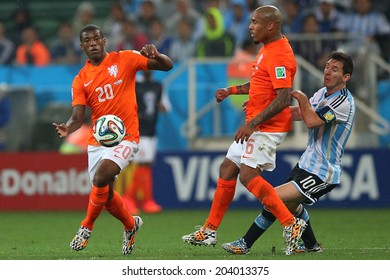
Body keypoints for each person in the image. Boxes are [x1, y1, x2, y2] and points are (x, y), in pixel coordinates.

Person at [182, 5, 306, 255]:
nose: (250, 27)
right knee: (228, 168)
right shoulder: (266, 50)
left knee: (248, 176)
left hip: (266, 127)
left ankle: (291, 224)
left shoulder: (280, 53)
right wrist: (232, 91)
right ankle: (209, 230)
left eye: (255, 22)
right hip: (256, 124)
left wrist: (251, 124)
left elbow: (283, 98)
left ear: (270, 25)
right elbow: (260, 83)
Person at [52, 24, 173, 255]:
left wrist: (157, 55)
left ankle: (86, 227)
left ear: (104, 40)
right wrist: (68, 127)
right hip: (98, 142)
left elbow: (167, 66)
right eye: (88, 41)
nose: (93, 43)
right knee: (106, 196)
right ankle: (131, 225)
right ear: (82, 46)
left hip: (127, 137)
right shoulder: (80, 80)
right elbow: (77, 117)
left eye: (96, 39)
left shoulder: (125, 59)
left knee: (101, 177)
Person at [222, 51, 355, 255]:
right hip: (306, 164)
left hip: (323, 171)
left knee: (273, 198)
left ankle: (245, 243)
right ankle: (311, 246)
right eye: (327, 66)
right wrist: (264, 111)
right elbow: (298, 113)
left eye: (334, 69)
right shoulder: (321, 94)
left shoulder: (343, 102)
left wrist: (301, 97)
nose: (327, 71)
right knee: (291, 206)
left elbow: (311, 121)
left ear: (346, 77)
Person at [122, 70, 170, 214]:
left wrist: (161, 107)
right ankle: (129, 198)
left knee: (147, 164)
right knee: (139, 163)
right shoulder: (134, 85)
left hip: (151, 130)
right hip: (138, 130)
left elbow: (166, 107)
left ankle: (147, 200)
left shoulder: (158, 85)